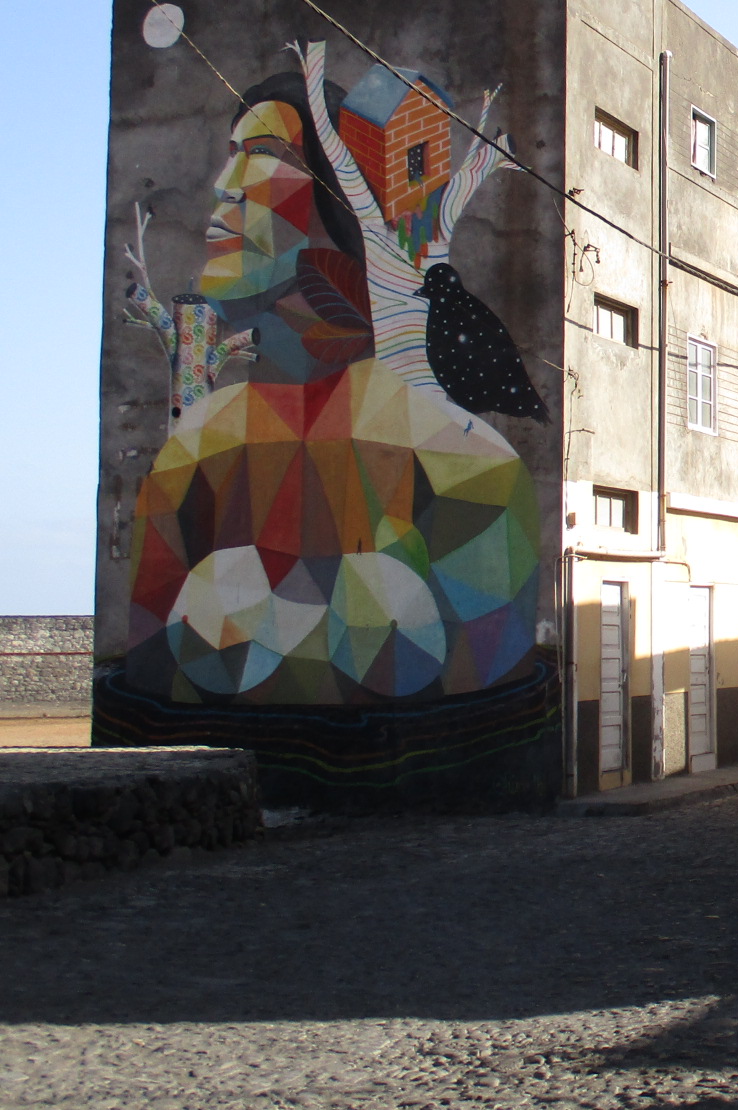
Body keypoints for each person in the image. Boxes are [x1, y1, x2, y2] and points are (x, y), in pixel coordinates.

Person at [122, 65, 541, 707]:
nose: (224, 183)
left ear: (342, 196)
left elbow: (488, 687)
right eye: (230, 155)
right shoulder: (192, 458)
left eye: (261, 153)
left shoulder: (468, 470)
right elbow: (149, 674)